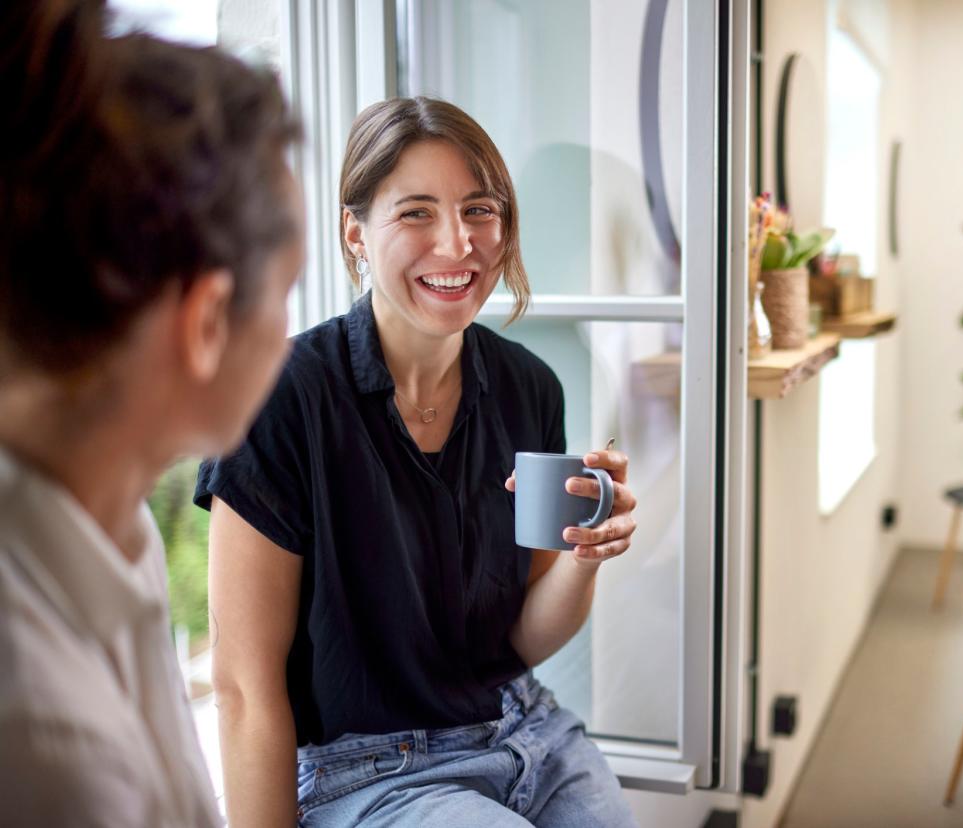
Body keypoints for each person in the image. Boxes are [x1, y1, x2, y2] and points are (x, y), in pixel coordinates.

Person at [195, 96, 640, 826]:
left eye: (479, 209)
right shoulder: (281, 397)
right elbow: (244, 687)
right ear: (356, 234)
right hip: (366, 774)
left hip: (526, 735)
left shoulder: (530, 388)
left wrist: (585, 555)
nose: (458, 244)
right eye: (416, 213)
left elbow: (524, 637)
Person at [0, 4, 305, 825]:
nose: (291, 334)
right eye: (287, 292)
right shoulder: (48, 752)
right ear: (207, 323)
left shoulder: (111, 533)